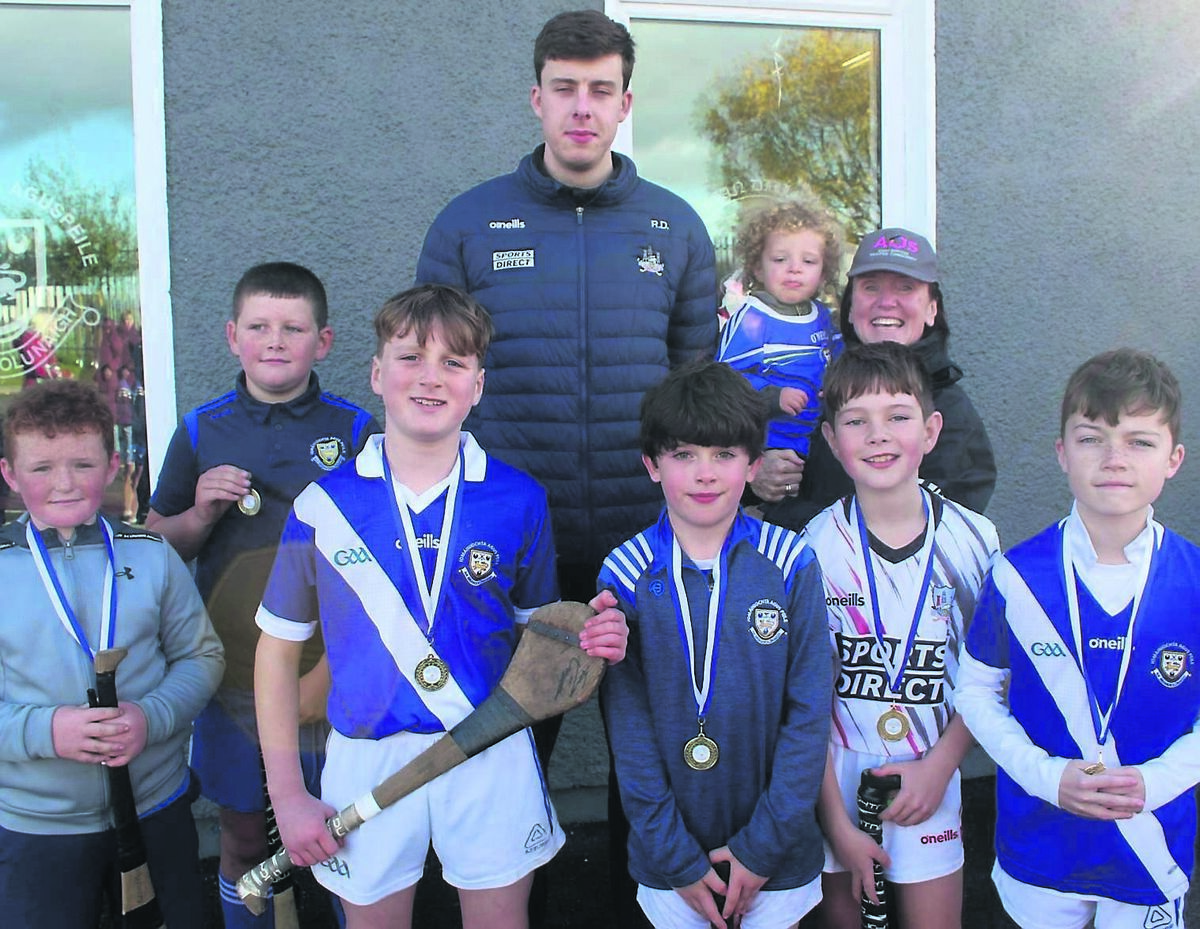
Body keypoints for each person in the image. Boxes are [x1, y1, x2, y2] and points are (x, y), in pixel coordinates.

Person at [255, 283, 628, 929]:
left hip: (489, 751)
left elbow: (542, 642)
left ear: (477, 385)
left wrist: (590, 631)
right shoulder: (323, 505)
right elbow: (276, 650)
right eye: (410, 358)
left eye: (453, 363)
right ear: (376, 373)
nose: (430, 378)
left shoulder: (518, 498)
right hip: (365, 755)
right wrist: (286, 793)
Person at [146, 261, 379, 929]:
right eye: (259, 326)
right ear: (231, 336)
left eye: (293, 327)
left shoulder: (357, 427)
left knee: (342, 829)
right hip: (236, 671)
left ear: (323, 342)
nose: (275, 340)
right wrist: (200, 512)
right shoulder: (200, 428)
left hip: (332, 672)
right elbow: (163, 542)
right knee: (244, 833)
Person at [957, 348, 1196, 929]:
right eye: (1092, 438)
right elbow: (974, 692)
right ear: (1062, 453)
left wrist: (1156, 782)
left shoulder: (1195, 579)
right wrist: (1046, 777)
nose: (1114, 458)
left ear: (1174, 459)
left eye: (1140, 441)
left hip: (1150, 851)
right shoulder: (1017, 575)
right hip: (1039, 849)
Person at [600, 360, 832, 929]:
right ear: (652, 464)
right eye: (684, 455)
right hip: (671, 861)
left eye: (724, 454)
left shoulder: (791, 562)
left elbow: (809, 715)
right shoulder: (624, 573)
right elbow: (627, 731)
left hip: (777, 856)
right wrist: (673, 856)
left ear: (753, 464)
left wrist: (765, 844)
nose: (705, 474)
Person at [0, 380, 224, 928]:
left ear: (113, 465)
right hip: (35, 825)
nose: (64, 484)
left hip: (156, 808)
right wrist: (46, 731)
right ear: (9, 475)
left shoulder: (152, 557)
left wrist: (152, 717)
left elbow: (203, 658)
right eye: (41, 468)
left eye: (82, 463)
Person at [801, 342, 999, 929]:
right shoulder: (812, 547)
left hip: (932, 770)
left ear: (932, 430)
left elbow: (991, 678)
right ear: (833, 442)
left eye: (898, 416)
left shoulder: (975, 541)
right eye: (856, 421)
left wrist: (943, 765)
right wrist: (835, 820)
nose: (877, 435)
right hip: (834, 776)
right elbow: (802, 695)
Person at [759, 228, 996, 529]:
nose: (886, 302)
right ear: (849, 308)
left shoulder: (950, 411)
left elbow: (936, 527)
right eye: (871, 287)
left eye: (905, 288)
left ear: (931, 309)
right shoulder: (812, 385)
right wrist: (759, 475)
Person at [716, 198, 842, 459]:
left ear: (823, 272)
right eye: (780, 259)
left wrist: (839, 382)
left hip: (820, 441)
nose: (794, 269)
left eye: (809, 261)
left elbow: (839, 356)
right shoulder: (752, 318)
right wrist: (772, 396)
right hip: (769, 443)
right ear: (758, 268)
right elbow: (723, 381)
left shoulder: (822, 315)